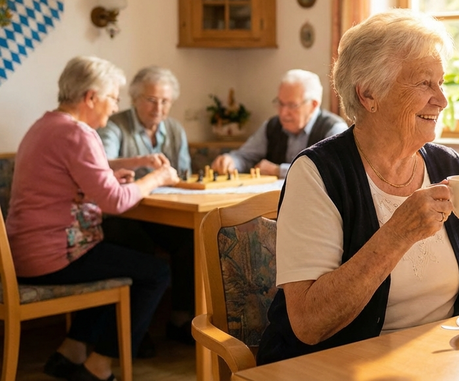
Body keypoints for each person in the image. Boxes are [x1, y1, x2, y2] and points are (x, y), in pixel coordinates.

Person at [257, 9, 459, 363]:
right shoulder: (317, 173)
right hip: (337, 365)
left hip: (437, 361)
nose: (442, 100)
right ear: (369, 94)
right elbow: (308, 324)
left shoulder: (448, 166)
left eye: (441, 82)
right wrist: (397, 234)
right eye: (423, 83)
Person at [6, 56, 179, 381]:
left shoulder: (47, 124)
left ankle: (70, 352)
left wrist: (138, 162)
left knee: (115, 254)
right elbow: (114, 201)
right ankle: (98, 366)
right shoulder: (77, 134)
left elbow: (89, 169)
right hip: (53, 257)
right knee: (155, 272)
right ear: (91, 97)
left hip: (27, 252)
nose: (114, 107)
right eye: (112, 98)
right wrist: (155, 178)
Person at [97, 66, 195, 346]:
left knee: (189, 240)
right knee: (137, 245)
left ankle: (179, 318)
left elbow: (183, 172)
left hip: (163, 214)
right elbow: (100, 165)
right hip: (122, 213)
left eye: (165, 101)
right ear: (135, 98)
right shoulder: (115, 125)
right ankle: (135, 333)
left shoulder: (174, 129)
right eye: (151, 100)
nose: (158, 108)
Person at [210, 69, 347, 178]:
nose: (283, 112)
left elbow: (332, 172)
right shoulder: (272, 126)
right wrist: (231, 161)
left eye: (292, 105)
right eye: (280, 104)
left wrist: (278, 170)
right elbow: (245, 156)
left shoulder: (334, 130)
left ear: (313, 105)